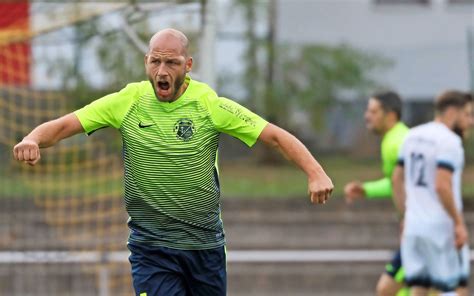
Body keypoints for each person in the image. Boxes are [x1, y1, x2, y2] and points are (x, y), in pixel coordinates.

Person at [12, 28, 334, 296]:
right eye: (155, 62)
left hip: (204, 246)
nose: (162, 72)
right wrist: (33, 139)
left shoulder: (209, 104)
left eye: (172, 63)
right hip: (151, 247)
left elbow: (274, 136)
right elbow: (66, 125)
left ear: (188, 64)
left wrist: (315, 172)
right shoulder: (128, 101)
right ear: (146, 62)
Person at [392, 90, 473, 296]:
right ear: (453, 112)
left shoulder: (412, 135)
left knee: (419, 287)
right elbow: (442, 186)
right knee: (455, 287)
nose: (470, 122)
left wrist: (405, 216)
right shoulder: (450, 141)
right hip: (440, 228)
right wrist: (458, 223)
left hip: (414, 227)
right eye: (468, 114)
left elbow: (397, 179)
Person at [344, 91, 409, 296]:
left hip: (420, 229)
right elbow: (396, 182)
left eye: (373, 111)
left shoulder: (398, 143)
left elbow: (416, 183)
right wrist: (367, 190)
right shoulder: (396, 138)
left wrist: (411, 218)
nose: (367, 116)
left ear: (390, 115)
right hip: (419, 228)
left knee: (387, 290)